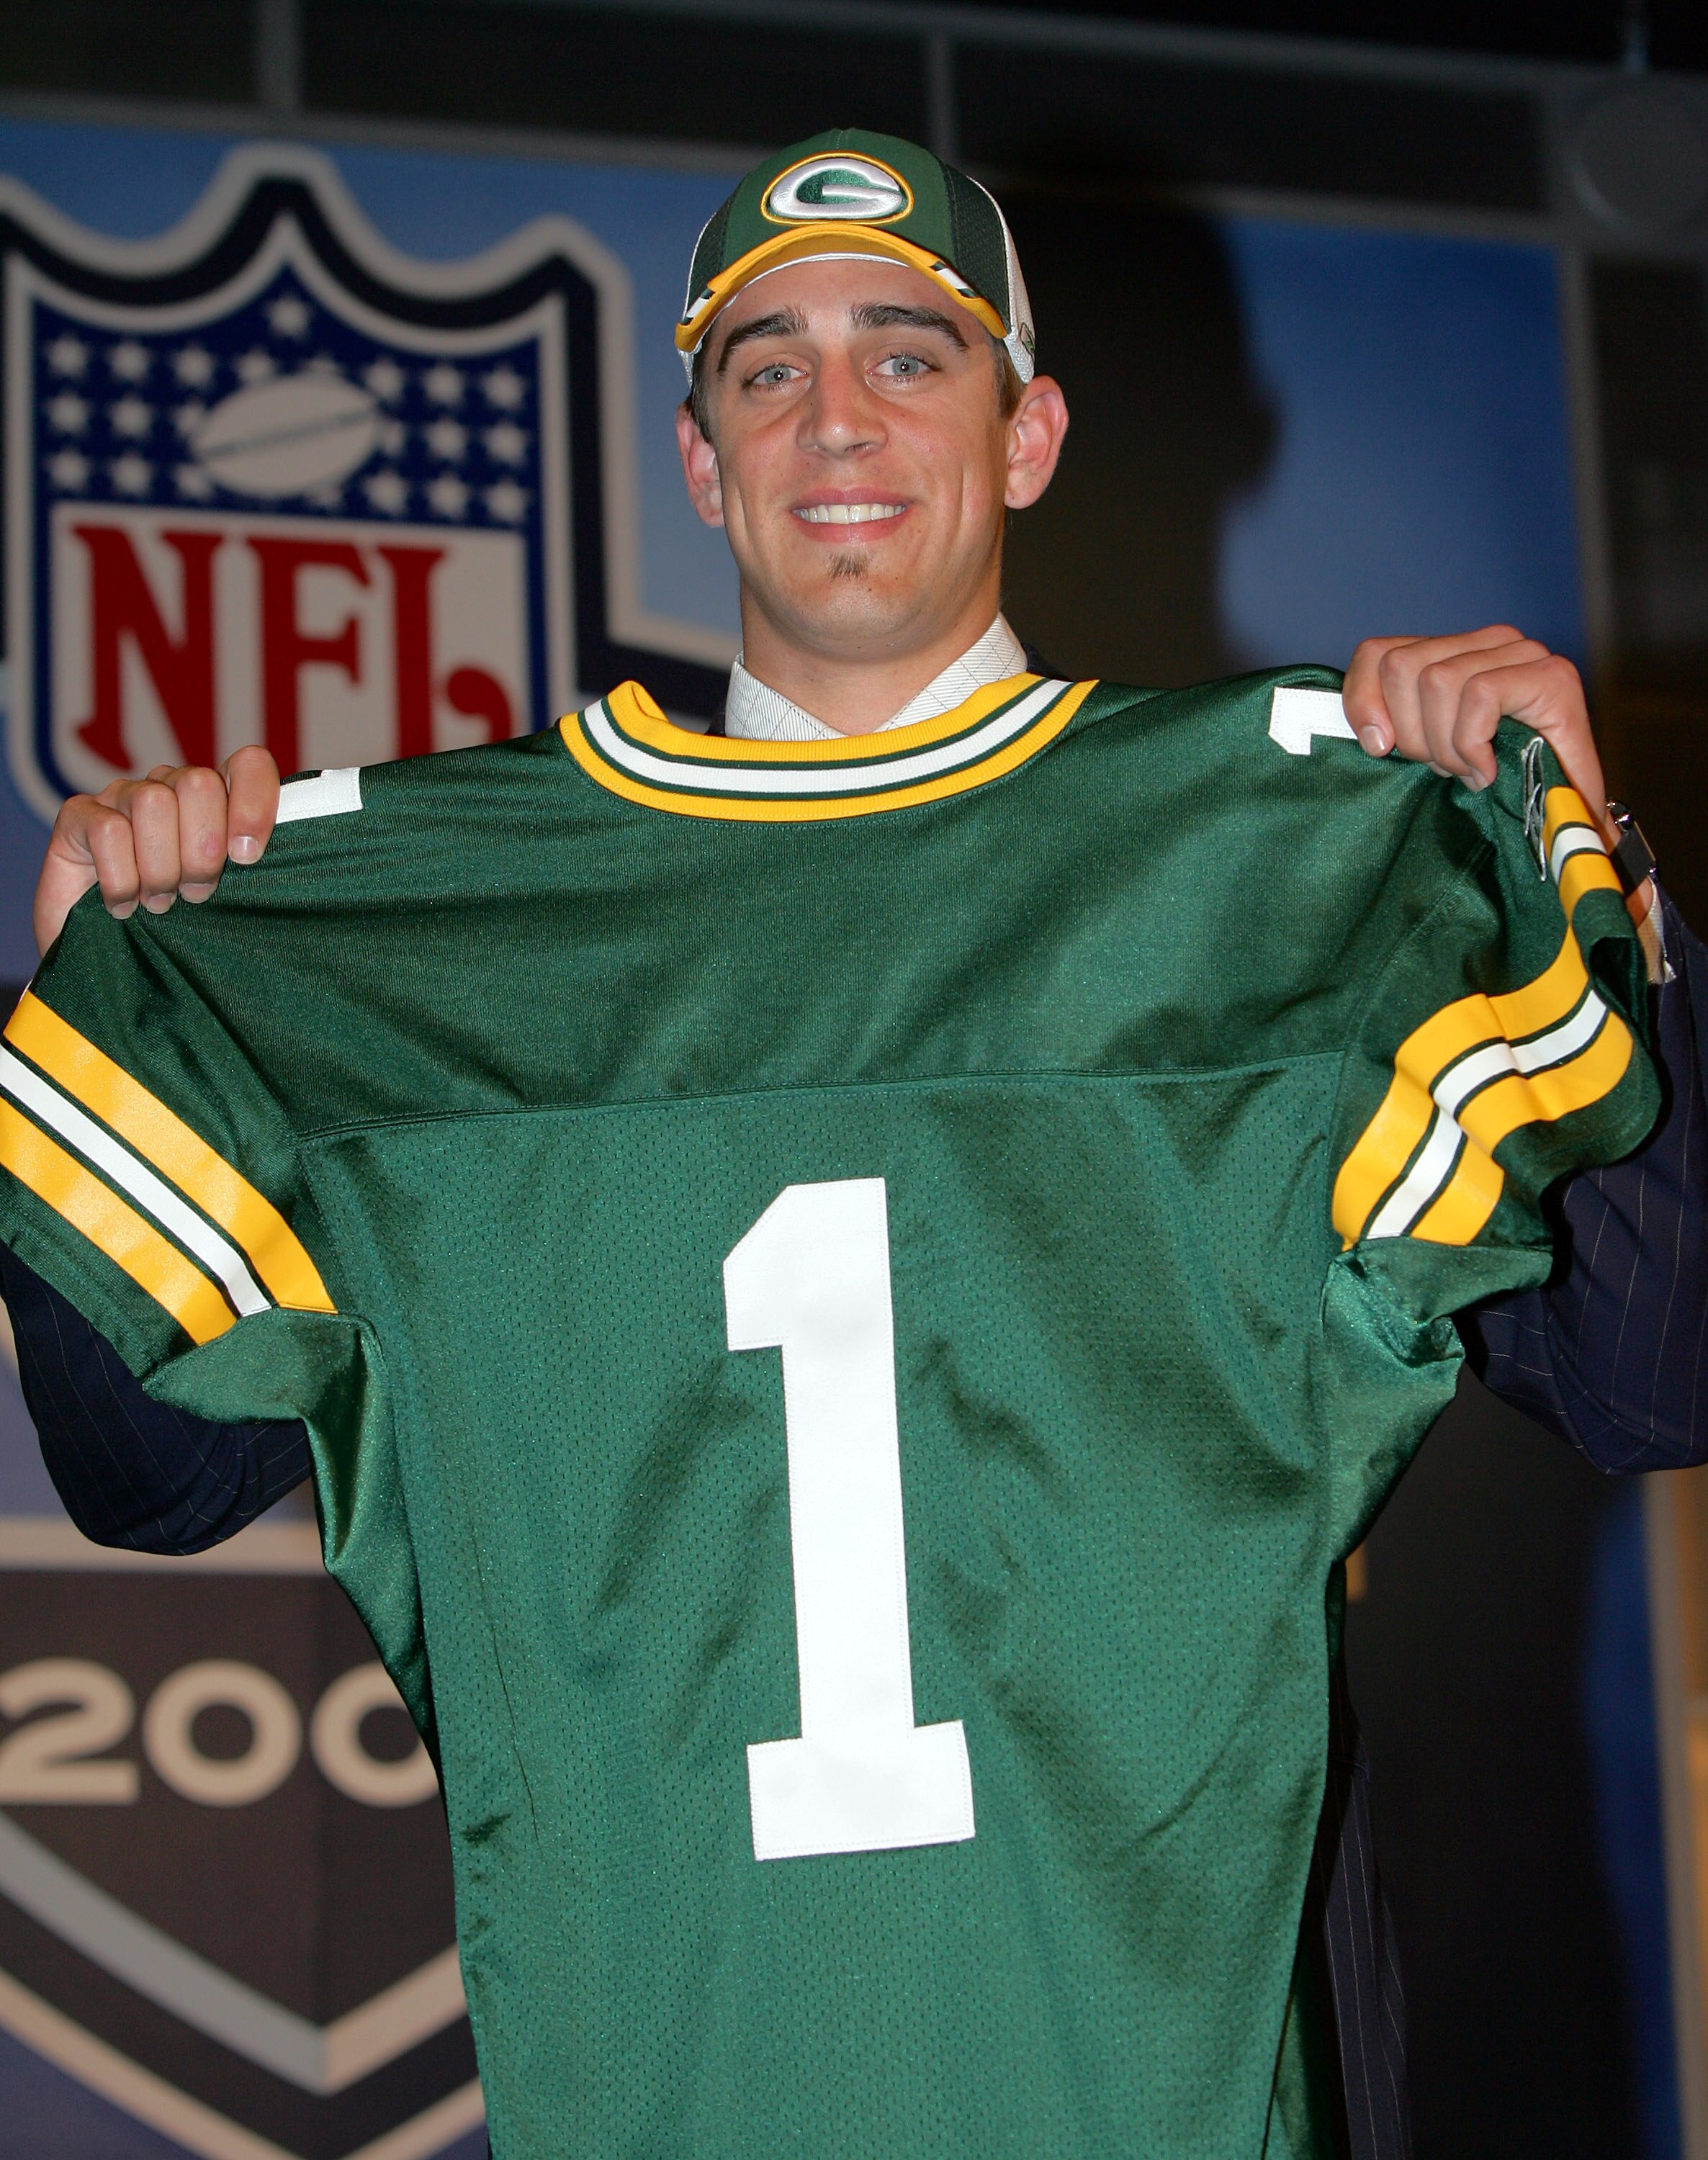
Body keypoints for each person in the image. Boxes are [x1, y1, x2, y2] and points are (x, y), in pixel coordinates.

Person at [0, 130, 1699, 2159]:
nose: (837, 420)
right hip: (708, 2047)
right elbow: (156, 1480)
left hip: (1189, 2017)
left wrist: (1594, 880)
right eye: (767, 366)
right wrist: (109, 994)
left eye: (909, 356)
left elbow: (1655, 1368)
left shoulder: (1283, 868)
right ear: (704, 460)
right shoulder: (450, 928)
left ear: (1029, 429)